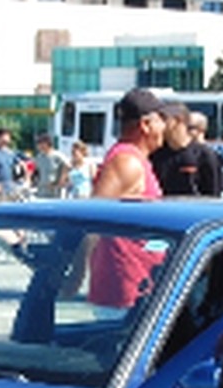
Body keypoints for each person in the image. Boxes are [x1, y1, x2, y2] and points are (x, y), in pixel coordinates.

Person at [63, 87, 167, 318]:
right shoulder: (126, 162)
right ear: (146, 125)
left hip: (139, 288)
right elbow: (95, 220)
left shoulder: (137, 160)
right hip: (123, 291)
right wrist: (77, 275)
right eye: (163, 120)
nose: (165, 127)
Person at [149, 101, 223, 196]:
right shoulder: (155, 155)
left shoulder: (204, 155)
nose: (159, 124)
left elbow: (215, 194)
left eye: (164, 119)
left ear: (177, 121)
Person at [31, 133, 69, 199]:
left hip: (54, 192)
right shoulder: (39, 157)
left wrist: (60, 181)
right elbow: (36, 171)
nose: (38, 146)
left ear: (46, 143)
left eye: (40, 143)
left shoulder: (57, 155)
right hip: (42, 191)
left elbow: (67, 165)